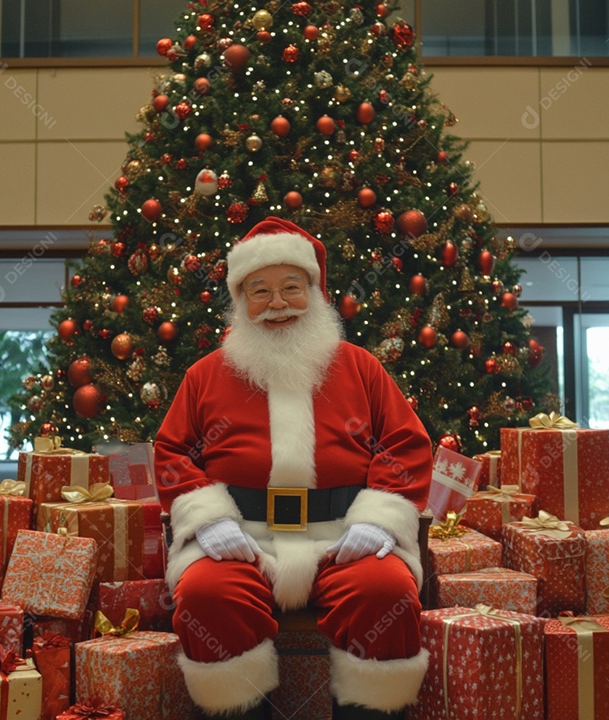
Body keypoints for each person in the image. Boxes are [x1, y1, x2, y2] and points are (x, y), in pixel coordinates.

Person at [155, 217, 433, 720]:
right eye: (259, 291)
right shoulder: (205, 375)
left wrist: (378, 520)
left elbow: (405, 444)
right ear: (240, 301)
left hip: (342, 536)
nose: (277, 303)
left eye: (291, 287)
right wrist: (208, 520)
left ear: (315, 292)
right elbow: (173, 452)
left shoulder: (361, 367)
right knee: (206, 595)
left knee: (385, 592)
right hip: (241, 538)